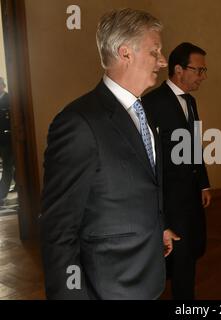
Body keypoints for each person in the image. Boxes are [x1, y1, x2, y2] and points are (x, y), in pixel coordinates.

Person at [40, 8, 179, 300]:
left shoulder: (145, 112)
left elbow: (140, 184)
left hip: (148, 276)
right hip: (109, 287)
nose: (163, 60)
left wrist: (159, 227)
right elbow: (58, 230)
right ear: (125, 53)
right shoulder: (78, 123)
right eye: (155, 51)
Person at [143, 42, 211, 300]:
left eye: (204, 71)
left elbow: (194, 146)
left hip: (192, 195)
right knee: (182, 260)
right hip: (169, 200)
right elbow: (148, 160)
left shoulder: (190, 102)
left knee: (192, 250)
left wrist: (203, 183)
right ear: (179, 69)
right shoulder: (151, 103)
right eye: (199, 70)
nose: (203, 77)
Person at [0, 76, 14, 205]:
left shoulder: (9, 99)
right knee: (10, 166)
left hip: (7, 139)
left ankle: (1, 194)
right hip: (1, 139)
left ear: (3, 85)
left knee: (7, 166)